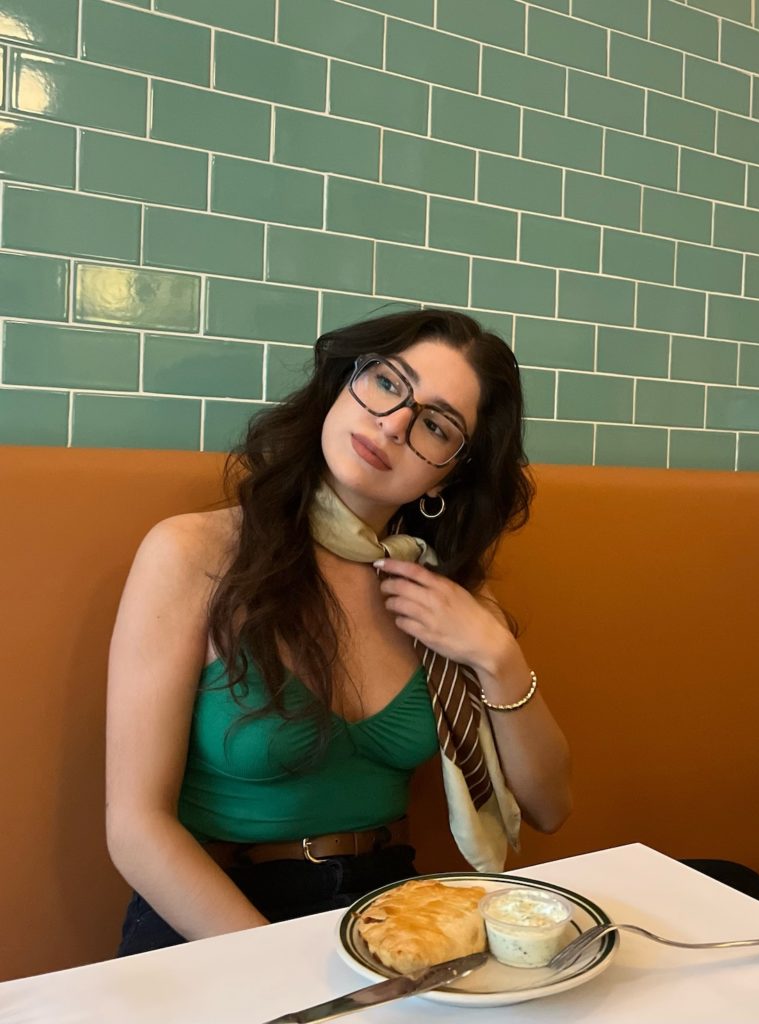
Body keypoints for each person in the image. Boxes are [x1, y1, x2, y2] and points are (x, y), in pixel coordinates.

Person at [106, 309, 572, 956]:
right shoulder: (193, 552)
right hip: (215, 915)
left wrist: (498, 655)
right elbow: (134, 826)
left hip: (390, 913)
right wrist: (281, 968)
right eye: (386, 383)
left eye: (435, 426)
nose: (392, 424)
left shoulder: (442, 593)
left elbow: (548, 806)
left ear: (450, 472)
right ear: (341, 383)